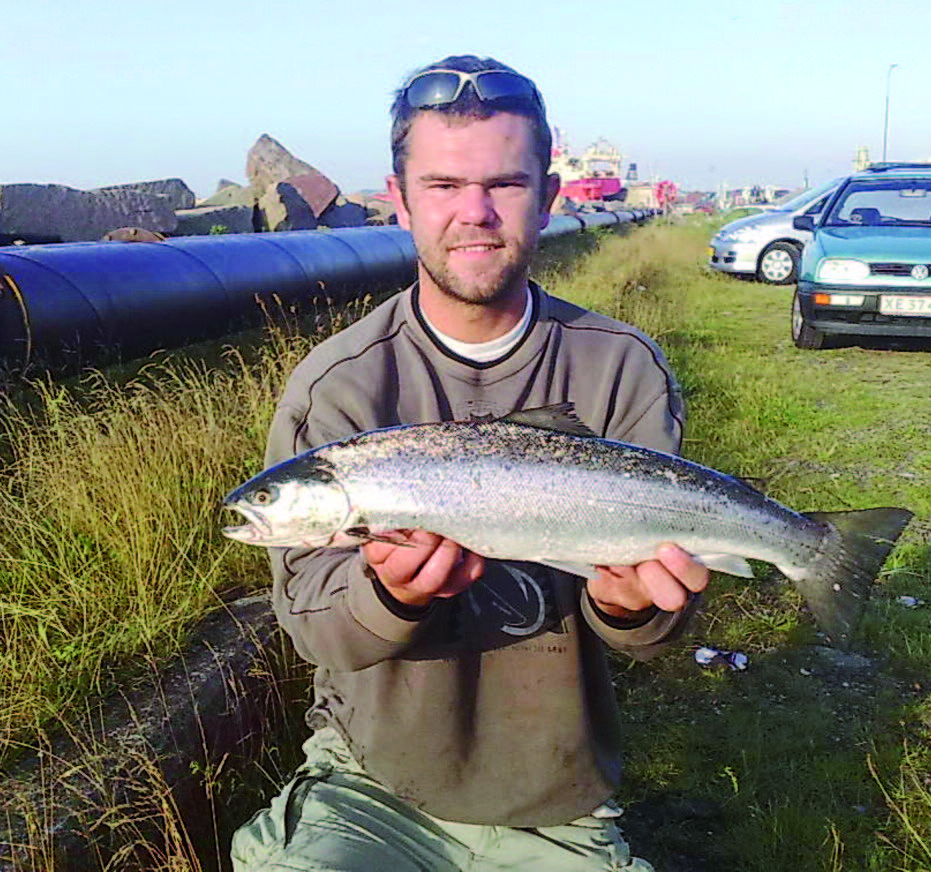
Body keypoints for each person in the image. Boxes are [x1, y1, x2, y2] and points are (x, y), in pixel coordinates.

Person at [231, 54, 709, 872]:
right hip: (370, 787)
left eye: (505, 184)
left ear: (549, 198)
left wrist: (633, 607)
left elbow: (655, 626)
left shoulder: (621, 366)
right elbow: (312, 627)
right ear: (401, 199)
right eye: (445, 187)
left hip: (557, 798)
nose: (475, 214)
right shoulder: (336, 385)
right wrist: (387, 593)